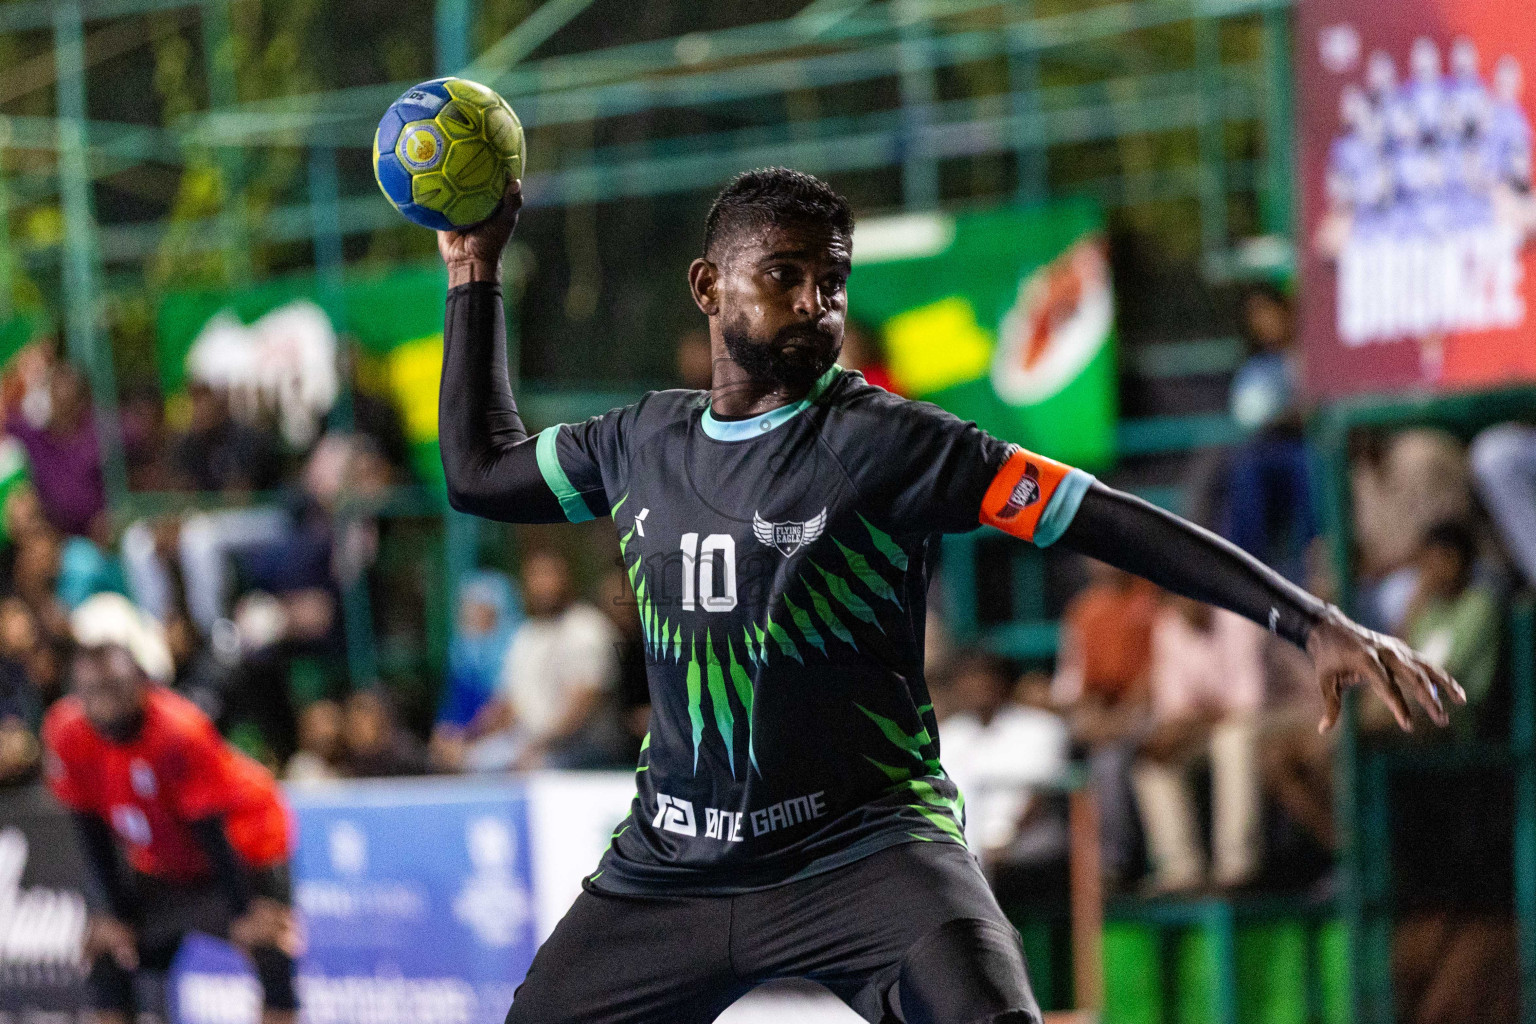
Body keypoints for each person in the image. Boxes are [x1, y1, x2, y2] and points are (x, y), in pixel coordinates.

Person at [437, 169, 1461, 1024]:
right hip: (671, 867)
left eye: (832, 282)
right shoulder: (637, 441)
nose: (816, 306)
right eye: (784, 277)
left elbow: (1100, 514)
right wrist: (474, 272)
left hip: (866, 850)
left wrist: (1310, 617)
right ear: (708, 287)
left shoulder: (889, 442)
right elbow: (480, 470)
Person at [41, 593, 298, 1024]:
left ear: (142, 678)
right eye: (90, 685)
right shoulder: (65, 734)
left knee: (269, 944)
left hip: (244, 847)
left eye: (114, 681)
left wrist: (241, 913)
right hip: (164, 863)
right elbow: (92, 833)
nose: (103, 697)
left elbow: (211, 829)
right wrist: (114, 914)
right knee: (107, 948)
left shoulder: (182, 731)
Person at [1133, 598, 1266, 893]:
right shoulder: (1168, 626)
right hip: (1206, 730)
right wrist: (1169, 738)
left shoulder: (1237, 618)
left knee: (1233, 740)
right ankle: (1180, 870)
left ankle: (1236, 866)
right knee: (1153, 762)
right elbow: (1175, 711)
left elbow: (1247, 705)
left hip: (1270, 720)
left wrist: (1192, 721)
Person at [1051, 562, 1159, 889]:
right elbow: (1071, 685)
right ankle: (1058, 854)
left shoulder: (1152, 598)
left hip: (1151, 708)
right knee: (1051, 744)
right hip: (1102, 712)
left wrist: (1116, 720)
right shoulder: (1083, 610)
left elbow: (1162, 673)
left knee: (1109, 761)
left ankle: (1115, 865)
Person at [465, 549, 621, 771]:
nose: (543, 585)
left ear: (566, 579)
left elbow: (582, 708)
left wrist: (537, 748)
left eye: (549, 576)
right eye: (536, 577)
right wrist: (467, 737)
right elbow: (508, 705)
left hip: (581, 753)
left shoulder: (588, 628)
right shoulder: (525, 635)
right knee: (467, 762)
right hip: (528, 747)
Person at [1400, 522, 1501, 736]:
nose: (1427, 572)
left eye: (1434, 561)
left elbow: (1447, 673)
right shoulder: (1430, 609)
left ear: (1455, 560)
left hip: (1458, 718)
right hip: (1420, 705)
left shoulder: (1479, 607)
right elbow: (1400, 652)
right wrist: (1415, 603)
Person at [430, 571, 521, 772]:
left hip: (507, 737)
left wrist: (465, 737)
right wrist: (445, 734)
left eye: (480, 609)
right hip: (468, 739)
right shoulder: (462, 651)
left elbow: (507, 707)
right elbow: (453, 705)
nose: (472, 614)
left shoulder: (517, 647)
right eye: (468, 607)